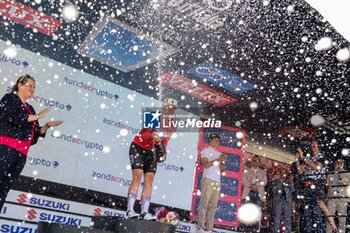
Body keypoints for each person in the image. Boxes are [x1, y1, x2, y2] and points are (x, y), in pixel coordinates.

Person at [0, 74, 63, 211]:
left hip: (21, 154)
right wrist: (37, 116)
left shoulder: (31, 109)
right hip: (5, 148)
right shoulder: (10, 99)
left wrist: (46, 126)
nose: (33, 89)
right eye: (30, 86)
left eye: (34, 87)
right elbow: (11, 117)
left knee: (3, 190)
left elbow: (33, 137)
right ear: (20, 85)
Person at [126, 98, 177, 220]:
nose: (170, 110)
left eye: (172, 109)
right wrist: (153, 136)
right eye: (168, 107)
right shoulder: (154, 115)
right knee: (137, 177)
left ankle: (144, 212)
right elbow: (145, 134)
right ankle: (129, 211)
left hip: (151, 152)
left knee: (149, 180)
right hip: (138, 147)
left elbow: (165, 143)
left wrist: (162, 151)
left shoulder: (172, 126)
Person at [299, 141, 339, 233]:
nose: (313, 146)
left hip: (317, 184)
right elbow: (301, 172)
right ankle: (309, 230)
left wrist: (303, 158)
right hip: (307, 185)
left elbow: (316, 167)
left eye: (315, 144)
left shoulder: (321, 156)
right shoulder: (308, 157)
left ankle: (333, 227)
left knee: (320, 206)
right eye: (312, 144)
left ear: (318, 147)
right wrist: (298, 159)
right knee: (308, 210)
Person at [197, 134, 228, 233]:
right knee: (204, 203)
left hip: (217, 180)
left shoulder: (219, 153)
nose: (216, 142)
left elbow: (221, 169)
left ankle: (210, 228)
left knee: (213, 206)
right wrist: (218, 160)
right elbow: (205, 165)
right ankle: (200, 227)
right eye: (214, 140)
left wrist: (223, 163)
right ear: (210, 141)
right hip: (208, 179)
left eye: (218, 141)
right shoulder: (205, 150)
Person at [241, 155, 267, 232]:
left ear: (259, 162)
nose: (255, 162)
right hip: (248, 193)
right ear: (252, 161)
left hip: (258, 194)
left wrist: (256, 186)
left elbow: (264, 182)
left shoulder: (262, 172)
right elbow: (243, 180)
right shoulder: (247, 170)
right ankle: (245, 229)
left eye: (257, 161)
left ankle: (254, 229)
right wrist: (251, 186)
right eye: (254, 161)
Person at [326, 159, 348, 233]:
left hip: (342, 199)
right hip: (332, 198)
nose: (339, 164)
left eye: (341, 162)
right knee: (329, 218)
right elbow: (327, 185)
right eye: (338, 162)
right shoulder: (330, 173)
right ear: (335, 163)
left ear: (343, 163)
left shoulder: (347, 174)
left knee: (342, 219)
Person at [271, 168, 294, 233]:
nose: (283, 174)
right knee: (276, 218)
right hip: (278, 200)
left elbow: (292, 190)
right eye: (282, 173)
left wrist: (290, 181)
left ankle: (287, 231)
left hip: (287, 200)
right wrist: (280, 182)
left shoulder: (289, 181)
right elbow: (274, 190)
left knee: (288, 219)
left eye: (284, 173)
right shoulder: (276, 181)